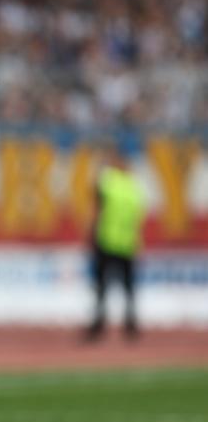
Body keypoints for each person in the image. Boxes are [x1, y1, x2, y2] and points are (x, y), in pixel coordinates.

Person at [84, 144, 146, 340]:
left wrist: (91, 232)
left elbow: (96, 205)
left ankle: (98, 325)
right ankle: (131, 326)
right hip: (127, 243)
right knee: (128, 287)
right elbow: (138, 216)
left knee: (102, 286)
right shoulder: (133, 186)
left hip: (107, 240)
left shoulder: (108, 181)